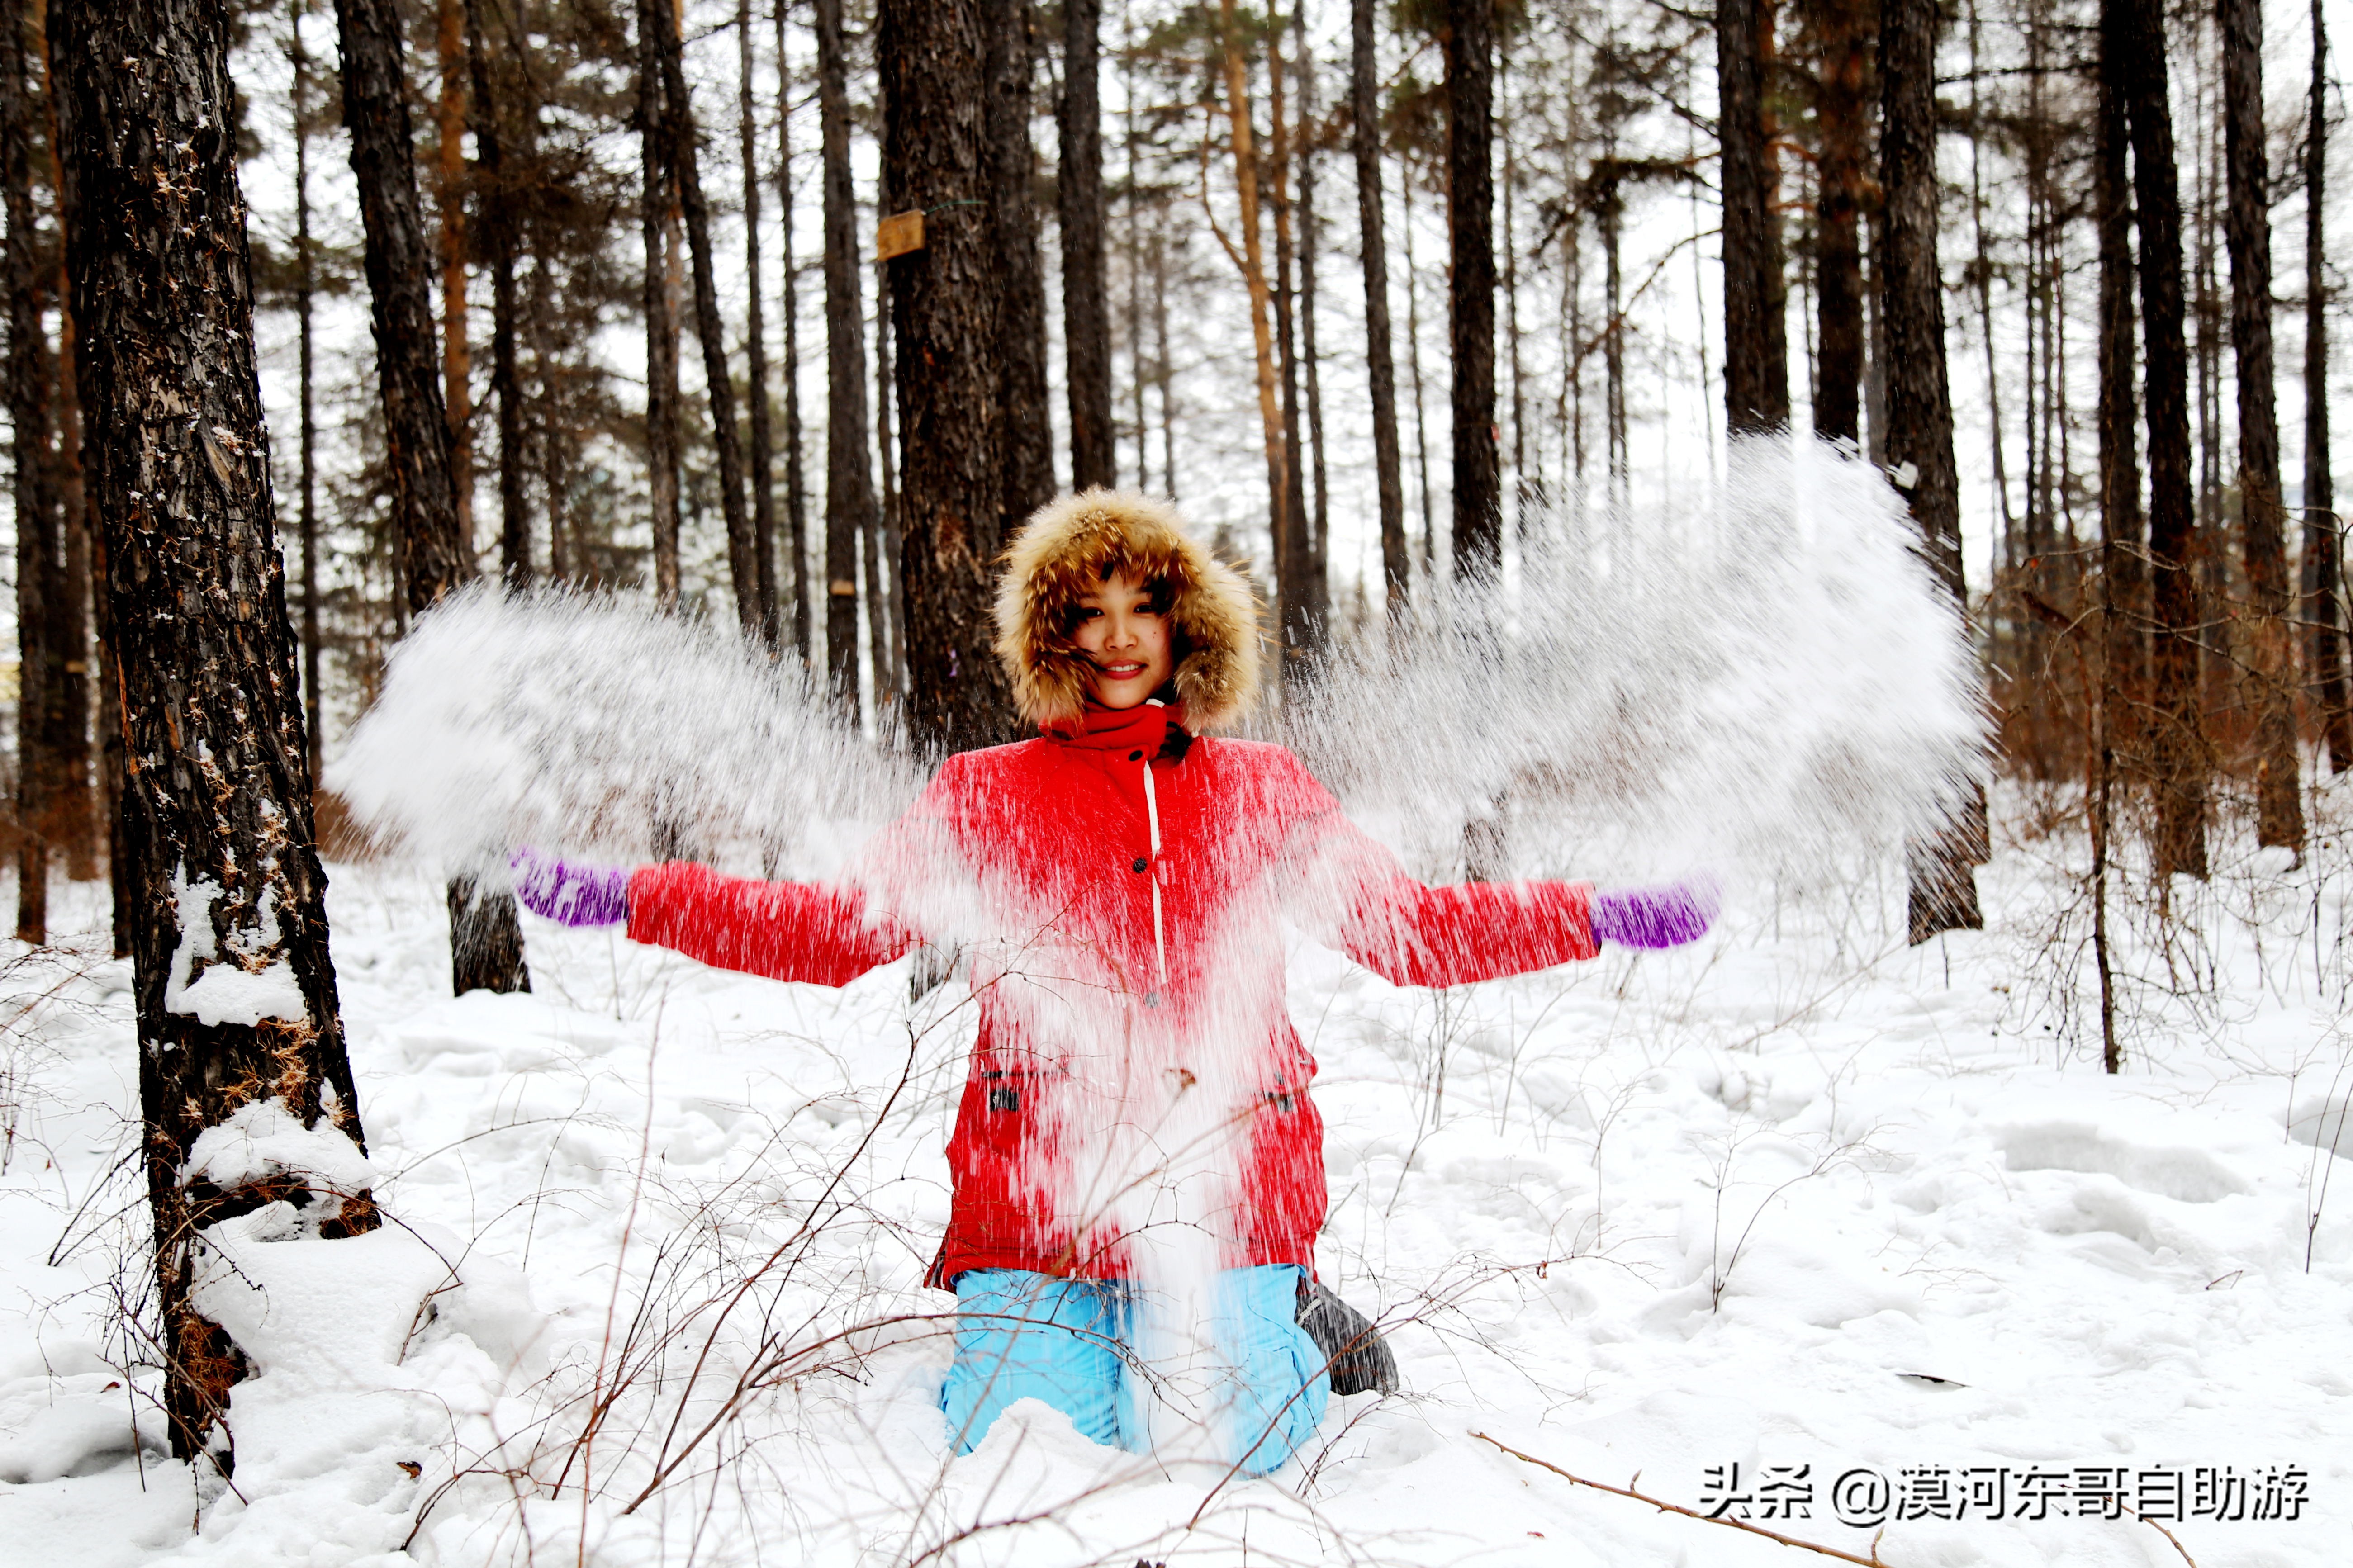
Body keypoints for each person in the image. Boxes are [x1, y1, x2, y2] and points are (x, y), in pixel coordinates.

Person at [513, 489, 1711, 1474]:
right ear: (1057, 634)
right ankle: (1044, 1328)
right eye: (1091, 609)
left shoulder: (1260, 785)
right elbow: (835, 931)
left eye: (1148, 603)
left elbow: (1402, 929)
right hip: (1040, 1187)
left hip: (1228, 1173)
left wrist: (1594, 913)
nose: (1123, 632)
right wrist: (635, 895)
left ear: (1189, 623)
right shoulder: (981, 793)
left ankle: (1294, 1314)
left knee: (1222, 1441)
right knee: (1030, 1440)